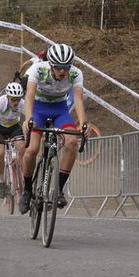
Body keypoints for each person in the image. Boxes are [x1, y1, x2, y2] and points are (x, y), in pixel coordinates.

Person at [19, 43, 88, 213]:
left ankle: (58, 190)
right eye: (58, 68)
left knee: (72, 142)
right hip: (38, 109)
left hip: (59, 110)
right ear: (50, 64)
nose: (62, 72)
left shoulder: (76, 73)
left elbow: (78, 99)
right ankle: (27, 190)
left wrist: (83, 122)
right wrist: (28, 118)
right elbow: (29, 96)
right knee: (32, 150)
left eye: (65, 67)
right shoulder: (38, 69)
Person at [0, 81, 26, 199]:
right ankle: (1, 181)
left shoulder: (22, 103)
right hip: (0, 129)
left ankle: (22, 173)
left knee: (22, 147)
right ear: (8, 97)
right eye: (13, 99)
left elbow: (29, 119)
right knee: (1, 153)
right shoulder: (0, 102)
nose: (16, 102)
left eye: (18, 99)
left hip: (14, 127)